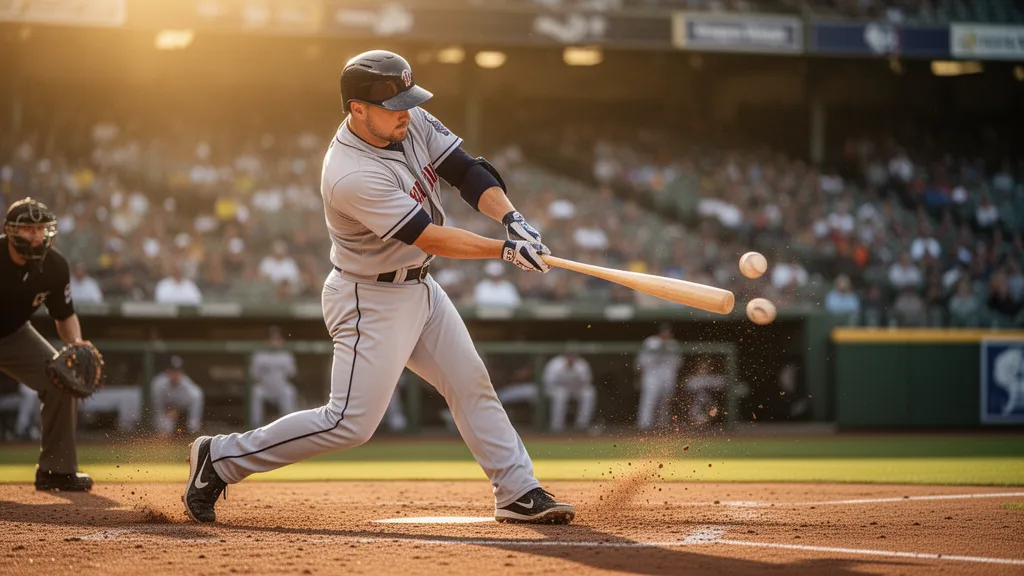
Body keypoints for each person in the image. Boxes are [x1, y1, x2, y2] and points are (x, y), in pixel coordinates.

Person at [183, 50, 574, 525]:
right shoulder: (349, 173)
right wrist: (504, 250)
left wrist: (512, 219)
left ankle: (517, 490)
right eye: (393, 105)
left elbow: (467, 172)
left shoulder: (409, 119)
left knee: (471, 382)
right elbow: (427, 235)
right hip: (369, 297)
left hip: (420, 288)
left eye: (408, 100)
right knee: (349, 423)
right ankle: (219, 458)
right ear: (357, 109)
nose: (405, 112)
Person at [0, 198, 95, 490]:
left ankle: (57, 470)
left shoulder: (54, 266)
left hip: (13, 335)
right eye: (28, 229)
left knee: (61, 377)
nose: (36, 235)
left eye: (40, 229)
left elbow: (64, 315)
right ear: (8, 231)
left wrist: (77, 344)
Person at [635, 323, 682, 430]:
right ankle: (644, 424)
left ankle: (663, 424)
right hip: (652, 374)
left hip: (667, 374)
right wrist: (638, 374)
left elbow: (679, 363)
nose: (666, 335)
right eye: (664, 333)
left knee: (666, 400)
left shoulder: (673, 344)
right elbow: (641, 360)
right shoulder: (650, 342)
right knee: (649, 399)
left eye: (668, 333)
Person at [248, 326, 298, 427]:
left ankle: (289, 426)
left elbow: (292, 373)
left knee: (289, 392)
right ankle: (254, 426)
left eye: (277, 339)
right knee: (256, 392)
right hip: (265, 388)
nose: (274, 342)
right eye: (272, 339)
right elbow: (253, 374)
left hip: (281, 387)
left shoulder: (286, 354)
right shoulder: (260, 354)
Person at [541, 349, 596, 432]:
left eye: (573, 356)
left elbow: (587, 381)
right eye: (569, 355)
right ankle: (556, 426)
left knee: (589, 392)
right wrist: (565, 369)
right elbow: (548, 381)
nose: (571, 358)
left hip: (575, 389)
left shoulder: (581, 364)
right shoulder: (555, 363)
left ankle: (582, 425)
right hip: (555, 389)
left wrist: (576, 381)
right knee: (561, 395)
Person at [151, 356, 204, 436]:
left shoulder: (186, 384)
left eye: (177, 371)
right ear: (167, 371)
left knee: (192, 424)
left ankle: (192, 433)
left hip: (180, 410)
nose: (175, 374)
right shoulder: (158, 383)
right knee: (164, 427)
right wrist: (166, 412)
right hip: (163, 409)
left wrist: (177, 411)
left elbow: (197, 396)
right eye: (172, 371)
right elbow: (156, 405)